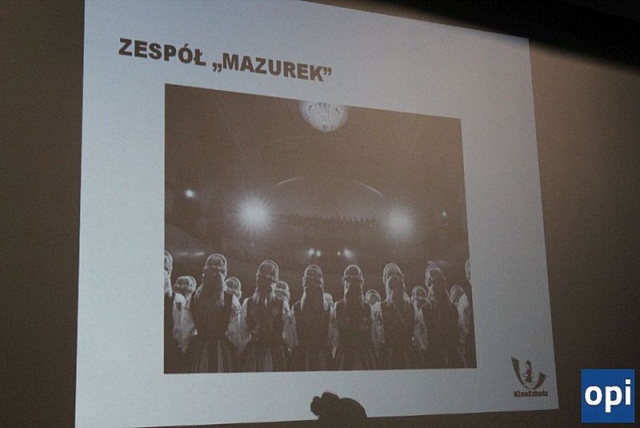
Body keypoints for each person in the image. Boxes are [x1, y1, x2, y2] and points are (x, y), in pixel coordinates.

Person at [188, 253, 240, 373]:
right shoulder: (231, 299)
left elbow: (186, 331)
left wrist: (188, 347)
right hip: (221, 348)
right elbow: (235, 333)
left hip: (199, 347)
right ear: (224, 273)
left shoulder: (193, 297)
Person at [238, 260, 290, 371]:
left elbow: (242, 332)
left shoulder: (281, 305)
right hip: (263, 351)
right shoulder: (249, 303)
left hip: (267, 351)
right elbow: (287, 334)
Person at [290, 264, 334, 371]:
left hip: (320, 355)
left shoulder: (328, 309)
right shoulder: (296, 308)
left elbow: (332, 335)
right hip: (304, 355)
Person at [333, 264, 377, 370]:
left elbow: (373, 336)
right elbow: (334, 337)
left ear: (361, 282)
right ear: (344, 282)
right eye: (349, 279)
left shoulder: (368, 308)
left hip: (365, 354)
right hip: (345, 354)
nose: (353, 283)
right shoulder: (337, 307)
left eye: (356, 280)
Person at [422, 264, 461, 368]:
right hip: (434, 354)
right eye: (433, 282)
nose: (437, 285)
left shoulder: (452, 308)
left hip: (452, 352)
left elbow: (457, 331)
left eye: (439, 281)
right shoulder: (425, 309)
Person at [379, 274, 418, 369]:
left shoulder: (411, 307)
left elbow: (414, 330)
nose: (396, 289)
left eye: (398, 285)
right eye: (393, 286)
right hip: (390, 352)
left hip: (407, 351)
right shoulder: (381, 307)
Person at [172, 276, 197, 364]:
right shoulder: (178, 300)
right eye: (180, 283)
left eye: (185, 284)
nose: (182, 286)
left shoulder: (190, 303)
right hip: (178, 341)